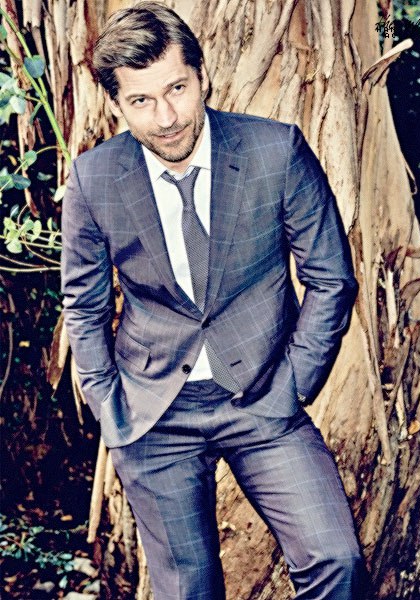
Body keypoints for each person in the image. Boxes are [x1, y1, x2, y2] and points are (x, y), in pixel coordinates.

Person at [61, 2, 363, 598]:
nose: (166, 117)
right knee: (188, 590)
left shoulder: (275, 151)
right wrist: (109, 407)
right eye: (141, 100)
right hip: (153, 414)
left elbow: (331, 278)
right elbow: (84, 304)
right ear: (116, 105)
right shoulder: (95, 179)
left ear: (202, 75)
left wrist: (294, 384)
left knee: (336, 559)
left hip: (263, 398)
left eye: (177, 88)